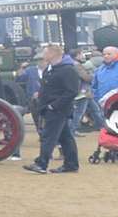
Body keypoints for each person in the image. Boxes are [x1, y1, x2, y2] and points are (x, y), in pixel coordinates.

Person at [26, 43, 80, 174]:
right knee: (65, 137)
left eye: (45, 53)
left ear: (52, 54)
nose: (43, 56)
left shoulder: (68, 70)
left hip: (58, 109)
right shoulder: (50, 69)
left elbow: (72, 91)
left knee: (48, 136)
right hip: (50, 107)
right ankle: (71, 164)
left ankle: (41, 164)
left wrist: (53, 105)